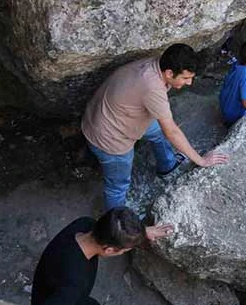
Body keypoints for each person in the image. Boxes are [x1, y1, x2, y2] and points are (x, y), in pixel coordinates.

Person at [82, 44, 229, 211]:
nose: (189, 83)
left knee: (157, 130)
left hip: (106, 115)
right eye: (185, 78)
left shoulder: (155, 64)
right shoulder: (152, 88)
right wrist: (200, 160)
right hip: (109, 137)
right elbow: (172, 131)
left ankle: (167, 165)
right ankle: (116, 228)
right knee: (118, 186)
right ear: (169, 73)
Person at [31, 207, 173, 305]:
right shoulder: (75, 284)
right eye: (125, 250)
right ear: (109, 250)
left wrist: (140, 233)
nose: (125, 252)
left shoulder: (84, 224)